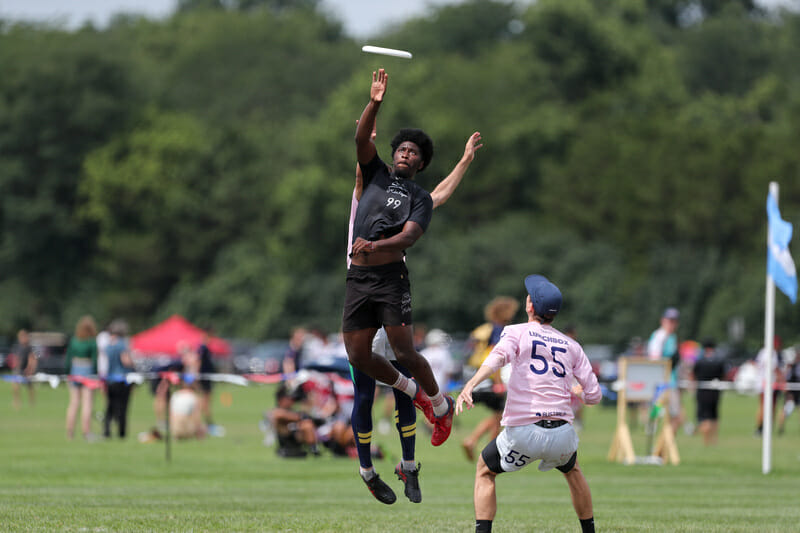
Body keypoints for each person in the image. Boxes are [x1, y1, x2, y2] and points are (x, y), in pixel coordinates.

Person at [346, 108, 482, 503]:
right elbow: (363, 146)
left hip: (390, 283)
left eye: (413, 151)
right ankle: (367, 470)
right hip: (359, 284)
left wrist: (464, 161)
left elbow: (436, 196)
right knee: (365, 393)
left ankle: (409, 466)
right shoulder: (367, 184)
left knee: (404, 383)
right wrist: (369, 119)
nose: (405, 154)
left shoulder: (409, 196)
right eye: (399, 149)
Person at [456, 275, 601, 533]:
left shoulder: (515, 331)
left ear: (530, 307)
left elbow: (497, 357)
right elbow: (594, 396)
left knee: (484, 470)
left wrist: (471, 383)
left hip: (524, 431)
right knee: (573, 471)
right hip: (562, 434)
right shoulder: (572, 345)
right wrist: (578, 392)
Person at [461, 296, 519, 461]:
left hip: (477, 375)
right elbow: (495, 356)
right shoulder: (499, 330)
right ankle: (480, 444)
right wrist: (498, 382)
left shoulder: (487, 328)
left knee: (498, 414)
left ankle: (486, 447)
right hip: (491, 377)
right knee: (500, 415)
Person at [647, 307, 683, 433]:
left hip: (671, 381)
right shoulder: (659, 336)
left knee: (674, 417)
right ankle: (660, 448)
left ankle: (663, 448)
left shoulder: (672, 337)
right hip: (661, 383)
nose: (672, 324)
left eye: (675, 321)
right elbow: (655, 360)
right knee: (659, 416)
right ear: (663, 321)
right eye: (670, 320)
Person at [65, 315, 99, 441]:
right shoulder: (91, 342)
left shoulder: (74, 340)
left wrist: (68, 372)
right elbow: (95, 360)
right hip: (87, 370)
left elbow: (68, 358)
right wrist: (95, 374)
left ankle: (70, 432)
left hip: (75, 370)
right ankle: (86, 432)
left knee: (73, 403)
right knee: (87, 403)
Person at [103, 319, 135, 439]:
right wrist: (134, 364)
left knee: (110, 407)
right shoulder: (122, 344)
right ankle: (121, 433)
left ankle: (106, 431)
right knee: (122, 407)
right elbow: (125, 361)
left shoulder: (108, 345)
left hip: (110, 379)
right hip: (122, 379)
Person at [691, 338, 725, 445]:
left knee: (703, 416)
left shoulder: (700, 361)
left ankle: (706, 440)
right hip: (715, 392)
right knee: (714, 415)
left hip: (702, 391)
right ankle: (714, 439)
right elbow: (723, 375)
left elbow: (693, 375)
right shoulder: (719, 361)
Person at [754, 335, 784, 436]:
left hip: (764, 383)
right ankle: (762, 428)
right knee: (768, 407)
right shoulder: (771, 353)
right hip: (768, 383)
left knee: (764, 407)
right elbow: (774, 368)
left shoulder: (762, 352)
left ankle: (762, 428)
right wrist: (782, 380)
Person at [11, 329, 37, 409]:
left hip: (27, 370)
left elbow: (32, 359)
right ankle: (16, 401)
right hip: (18, 370)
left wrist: (30, 369)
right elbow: (16, 358)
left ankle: (31, 402)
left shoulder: (29, 348)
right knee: (15, 386)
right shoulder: (18, 347)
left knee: (30, 387)